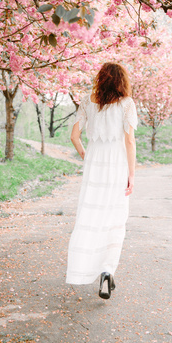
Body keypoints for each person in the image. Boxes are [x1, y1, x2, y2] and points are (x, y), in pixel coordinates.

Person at [66, 62, 138, 299]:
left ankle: (87, 268)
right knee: (115, 218)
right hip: (116, 166)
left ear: (100, 79)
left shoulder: (88, 101)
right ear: (122, 81)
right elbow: (129, 141)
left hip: (94, 166)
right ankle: (107, 271)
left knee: (91, 215)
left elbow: (74, 136)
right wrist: (131, 174)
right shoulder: (126, 104)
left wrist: (86, 155)